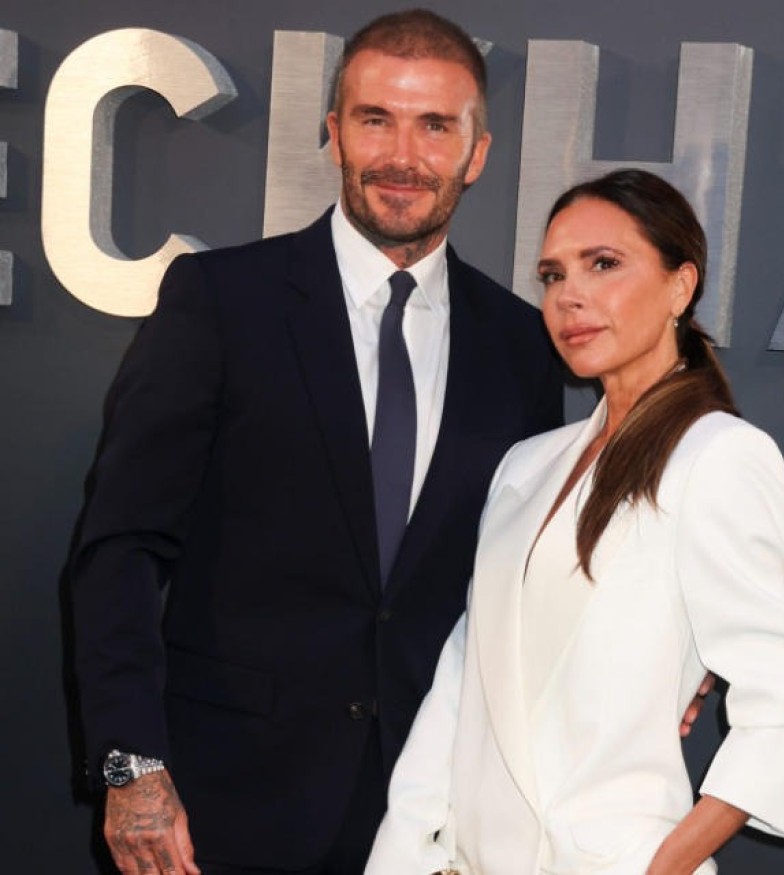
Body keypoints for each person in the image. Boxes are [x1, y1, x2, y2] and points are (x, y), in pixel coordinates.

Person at [69, 10, 566, 875]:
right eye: (376, 119)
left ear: (476, 152)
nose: (401, 155)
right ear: (334, 132)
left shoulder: (521, 344)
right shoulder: (221, 301)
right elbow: (120, 547)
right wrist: (131, 766)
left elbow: (528, 572)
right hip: (220, 809)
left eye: (434, 125)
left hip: (431, 813)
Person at [364, 169, 784, 875]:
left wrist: (660, 866)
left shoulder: (719, 456)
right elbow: (462, 683)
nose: (569, 296)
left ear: (680, 286)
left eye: (604, 264)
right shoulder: (527, 464)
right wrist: (404, 855)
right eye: (553, 275)